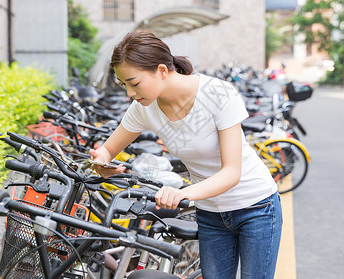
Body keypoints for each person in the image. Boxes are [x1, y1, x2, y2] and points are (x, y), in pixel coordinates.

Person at [89, 30, 282, 279]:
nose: (130, 93)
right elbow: (107, 149)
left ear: (161, 71)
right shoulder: (143, 108)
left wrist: (182, 193)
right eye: (124, 85)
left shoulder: (218, 93)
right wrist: (100, 161)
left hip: (256, 206)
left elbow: (232, 172)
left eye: (134, 83)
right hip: (210, 212)